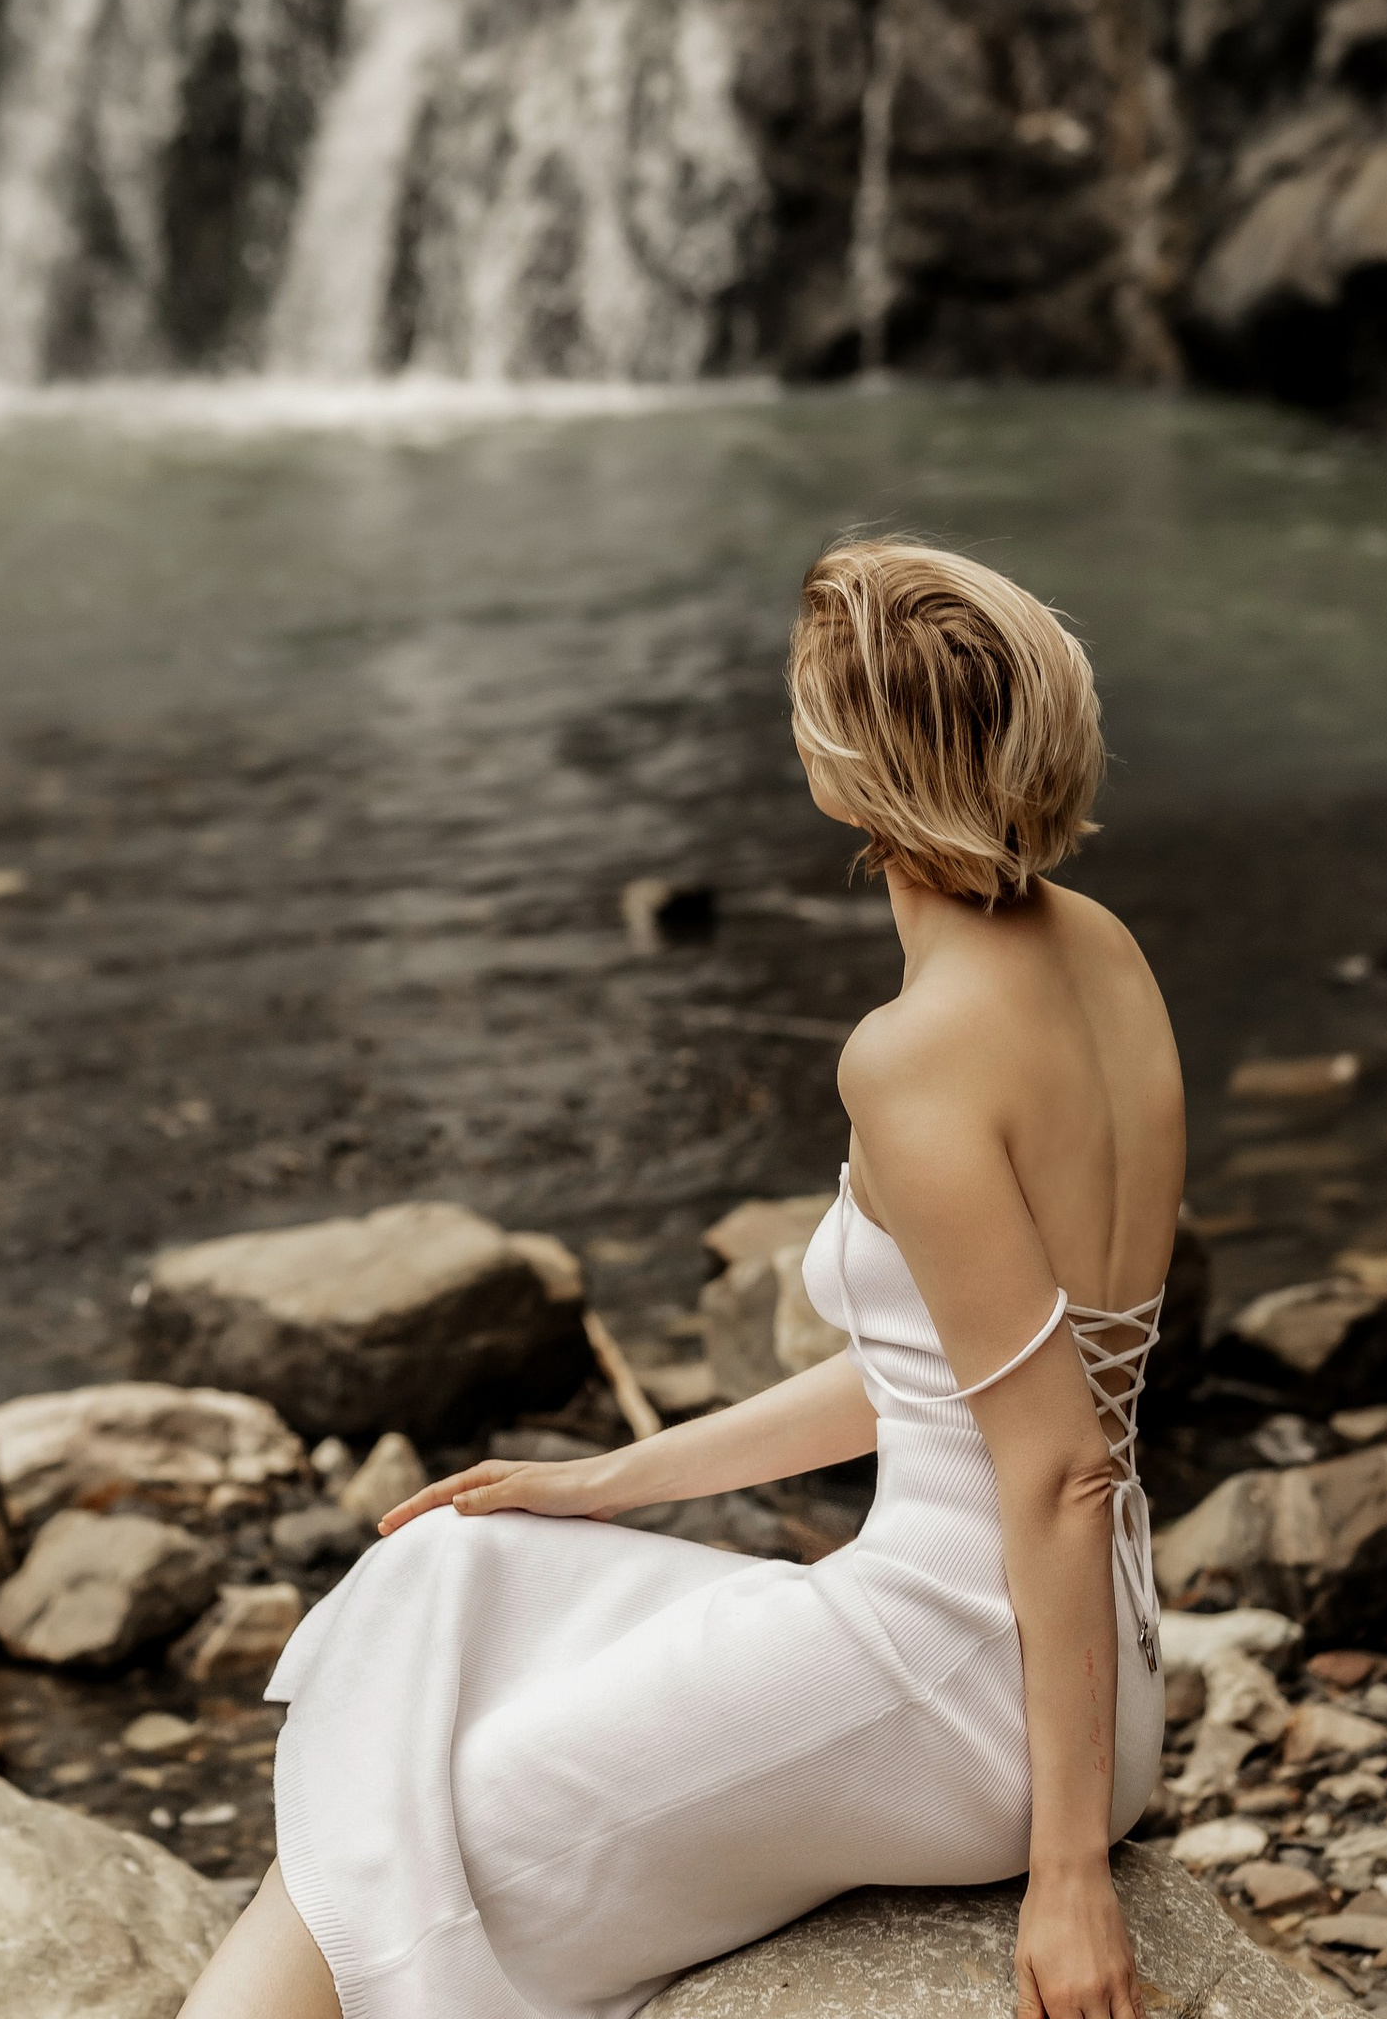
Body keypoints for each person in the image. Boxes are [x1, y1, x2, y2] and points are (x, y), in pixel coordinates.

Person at [178, 536, 1182, 2019]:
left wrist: (1069, 1881)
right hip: (1079, 1649)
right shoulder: (1104, 956)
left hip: (972, 1682)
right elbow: (956, 1384)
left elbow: (1056, 1472)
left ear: (843, 769)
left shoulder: (911, 1059)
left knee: (415, 1832)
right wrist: (602, 1479)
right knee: (457, 1568)